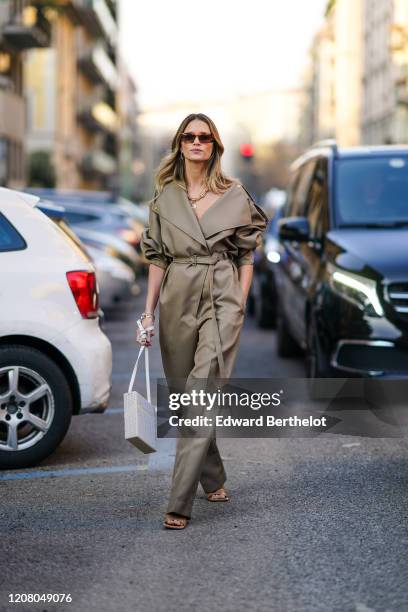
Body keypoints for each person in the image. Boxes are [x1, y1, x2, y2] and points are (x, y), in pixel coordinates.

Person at [137, 113, 268, 529]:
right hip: (176, 296)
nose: (197, 143)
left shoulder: (234, 193)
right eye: (189, 137)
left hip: (220, 294)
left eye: (205, 138)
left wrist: (239, 303)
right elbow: (156, 258)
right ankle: (213, 476)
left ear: (215, 146)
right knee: (184, 400)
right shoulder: (165, 196)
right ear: (179, 144)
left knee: (200, 394)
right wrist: (147, 313)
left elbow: (246, 256)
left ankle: (178, 502)